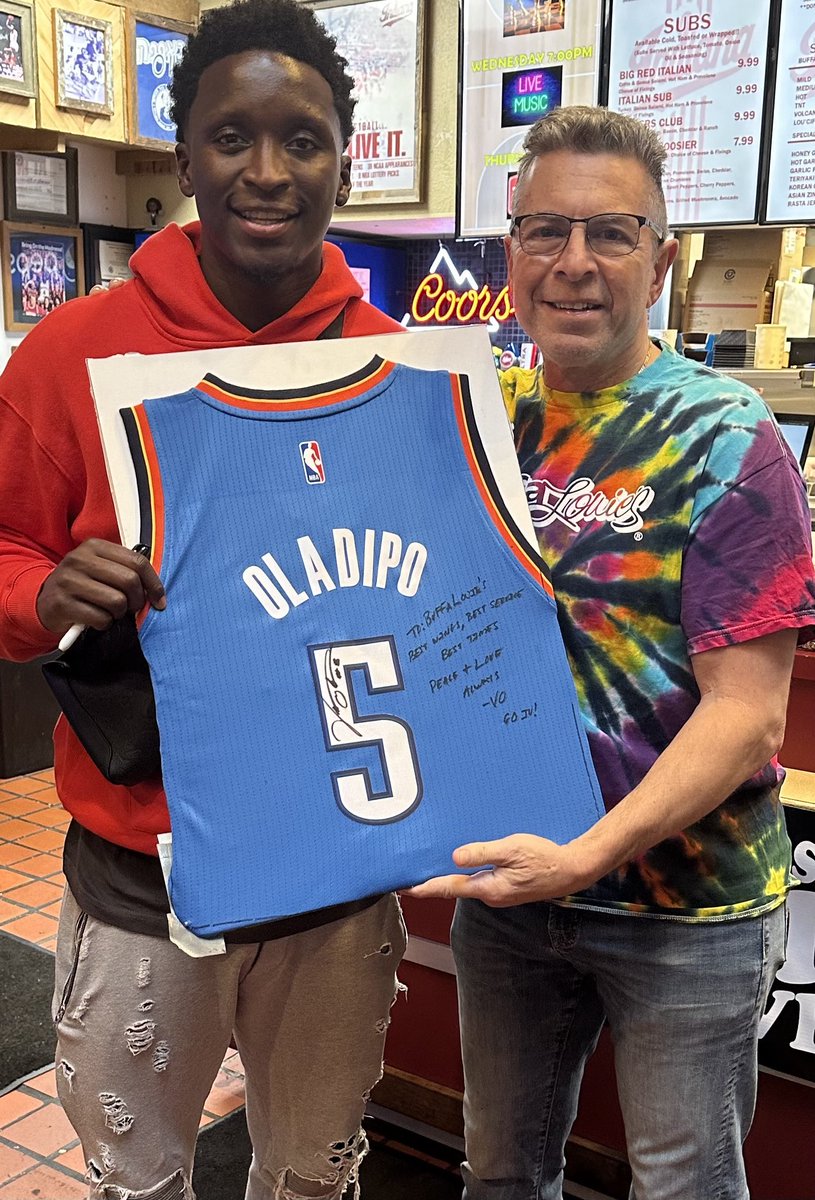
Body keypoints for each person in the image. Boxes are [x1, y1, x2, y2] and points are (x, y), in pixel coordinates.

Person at [0, 2, 407, 1197]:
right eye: (232, 138)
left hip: (338, 869)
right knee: (141, 1176)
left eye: (304, 138)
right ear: (183, 158)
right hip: (144, 864)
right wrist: (47, 594)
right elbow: (6, 553)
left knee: (309, 1175)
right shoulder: (72, 353)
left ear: (344, 154)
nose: (268, 171)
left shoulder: (395, 363)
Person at [410, 106, 815, 1200]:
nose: (573, 263)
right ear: (509, 256)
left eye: (611, 233)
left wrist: (585, 857)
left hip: (687, 909)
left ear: (662, 259)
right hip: (513, 889)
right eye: (545, 231)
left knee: (681, 1186)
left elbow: (745, 718)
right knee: (498, 1174)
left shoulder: (728, 439)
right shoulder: (479, 422)